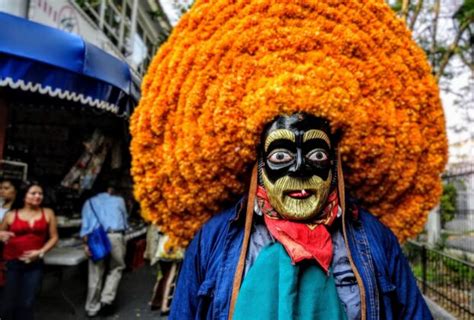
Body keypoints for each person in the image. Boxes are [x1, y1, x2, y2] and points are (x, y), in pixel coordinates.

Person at [129, 0, 448, 319]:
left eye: (316, 154)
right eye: (281, 154)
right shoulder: (214, 239)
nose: (299, 168)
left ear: (335, 164)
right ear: (260, 163)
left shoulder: (375, 238)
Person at [0, 181, 58, 320]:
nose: (38, 196)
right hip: (11, 263)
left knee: (27, 302)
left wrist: (40, 252)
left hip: (34, 265)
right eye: (33, 193)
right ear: (24, 196)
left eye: (40, 193)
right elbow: (1, 233)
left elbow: (54, 237)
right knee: (8, 302)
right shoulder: (11, 215)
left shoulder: (48, 213)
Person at [80, 182, 128, 317]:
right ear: (109, 189)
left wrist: (86, 245)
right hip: (115, 236)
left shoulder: (88, 202)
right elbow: (125, 220)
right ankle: (106, 299)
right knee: (116, 267)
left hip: (96, 239)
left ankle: (92, 308)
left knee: (95, 272)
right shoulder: (119, 200)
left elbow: (86, 227)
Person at [0, 179, 20, 286]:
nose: (2, 191)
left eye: (6, 188)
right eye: (1, 188)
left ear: (15, 191)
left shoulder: (19, 209)